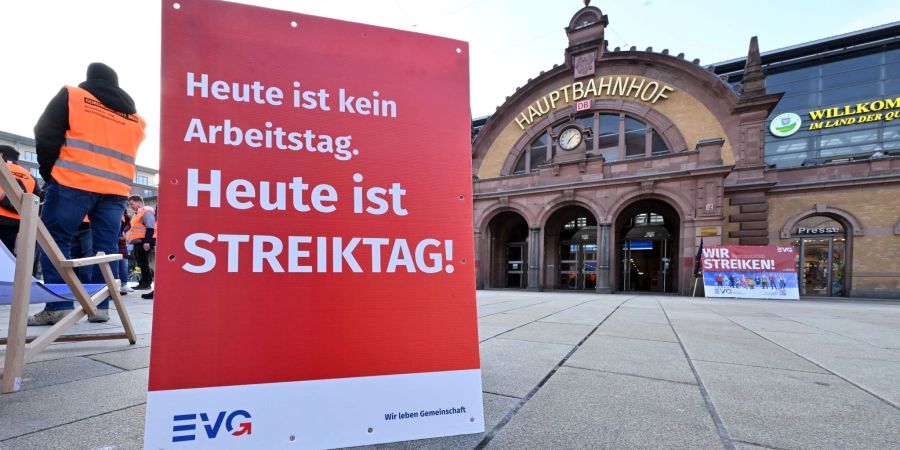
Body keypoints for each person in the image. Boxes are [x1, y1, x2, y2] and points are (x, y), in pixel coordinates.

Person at [27, 63, 146, 326]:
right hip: (115, 190)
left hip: (73, 181)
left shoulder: (74, 96)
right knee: (106, 249)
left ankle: (59, 305)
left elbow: (45, 133)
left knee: (55, 241)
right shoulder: (136, 118)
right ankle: (100, 306)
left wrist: (50, 174)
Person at [0, 145, 38, 253]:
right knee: (7, 253)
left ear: (1, 155)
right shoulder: (29, 175)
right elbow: (37, 198)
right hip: (16, 222)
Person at [126, 196, 155, 290]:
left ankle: (146, 283)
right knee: (140, 263)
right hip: (137, 242)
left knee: (143, 263)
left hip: (143, 242)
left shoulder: (146, 213)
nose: (130, 206)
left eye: (132, 204)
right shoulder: (136, 214)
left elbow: (150, 228)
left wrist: (147, 242)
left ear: (138, 202)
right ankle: (143, 282)